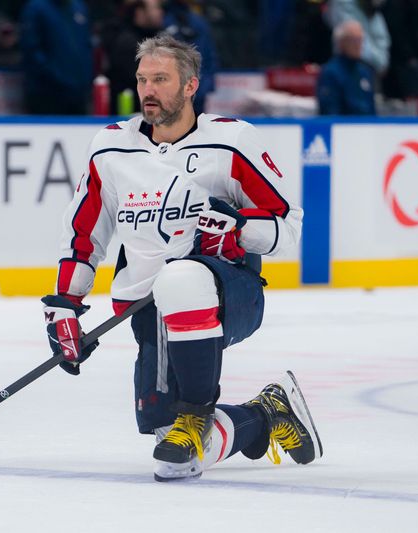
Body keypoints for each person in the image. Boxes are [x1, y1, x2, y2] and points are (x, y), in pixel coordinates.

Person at [41, 34, 322, 481]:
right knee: (174, 453)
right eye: (142, 79)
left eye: (160, 79)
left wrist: (236, 226)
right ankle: (266, 413)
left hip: (229, 294)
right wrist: (65, 307)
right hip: (149, 308)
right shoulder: (112, 147)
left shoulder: (231, 142)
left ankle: (196, 411)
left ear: (190, 85)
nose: (148, 89)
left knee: (181, 277)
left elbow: (287, 231)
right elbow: (84, 232)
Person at [20, 0, 93, 114]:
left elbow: (86, 46)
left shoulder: (79, 7)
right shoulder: (36, 8)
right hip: (47, 94)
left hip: (78, 93)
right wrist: (57, 77)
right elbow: (32, 50)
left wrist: (85, 79)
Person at [101, 0, 164, 114]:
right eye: (155, 8)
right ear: (139, 12)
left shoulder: (156, 37)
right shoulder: (127, 42)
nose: (161, 12)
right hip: (129, 112)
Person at [316, 20, 376, 115]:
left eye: (360, 40)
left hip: (367, 128)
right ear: (341, 42)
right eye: (353, 40)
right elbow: (330, 111)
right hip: (342, 127)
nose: (358, 45)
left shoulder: (365, 72)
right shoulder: (330, 73)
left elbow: (372, 110)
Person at [325, 0, 390, 76]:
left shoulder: (375, 14)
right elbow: (352, 36)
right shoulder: (342, 4)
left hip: (371, 70)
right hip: (346, 66)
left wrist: (381, 63)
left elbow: (382, 40)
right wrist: (378, 63)